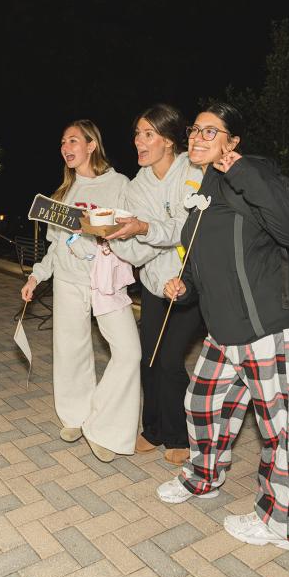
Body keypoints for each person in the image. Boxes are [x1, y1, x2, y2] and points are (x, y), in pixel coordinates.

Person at [157, 102, 289, 553]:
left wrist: (242, 170)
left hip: (273, 324)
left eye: (212, 132)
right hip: (228, 328)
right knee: (203, 401)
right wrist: (184, 286)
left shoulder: (256, 174)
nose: (197, 137)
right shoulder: (205, 191)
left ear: (233, 141)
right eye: (195, 129)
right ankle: (204, 478)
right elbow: (207, 262)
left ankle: (284, 525)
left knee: (282, 429)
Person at [19, 120, 140, 462]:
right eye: (62, 142)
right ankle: (75, 417)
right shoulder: (63, 194)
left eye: (73, 140)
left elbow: (132, 231)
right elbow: (55, 248)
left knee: (129, 352)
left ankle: (104, 425)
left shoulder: (119, 184)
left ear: (91, 145)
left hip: (106, 282)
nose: (66, 147)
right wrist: (36, 278)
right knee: (70, 350)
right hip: (69, 281)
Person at [106, 104, 205, 466]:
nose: (139, 141)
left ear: (168, 140)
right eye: (136, 134)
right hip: (154, 283)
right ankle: (154, 429)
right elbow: (134, 250)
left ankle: (180, 435)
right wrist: (113, 237)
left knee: (169, 359)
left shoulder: (192, 172)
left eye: (148, 134)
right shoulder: (136, 186)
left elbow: (185, 229)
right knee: (148, 358)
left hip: (189, 282)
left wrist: (145, 229)